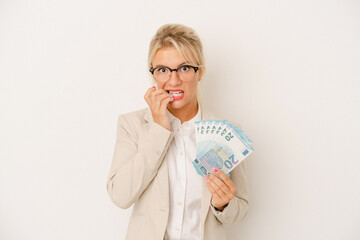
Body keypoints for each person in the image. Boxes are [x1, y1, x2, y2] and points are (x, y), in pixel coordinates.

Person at [106, 23, 249, 240]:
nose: (173, 80)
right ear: (153, 74)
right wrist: (158, 130)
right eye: (162, 70)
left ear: (199, 73)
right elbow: (120, 196)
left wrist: (224, 204)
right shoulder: (132, 125)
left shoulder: (224, 132)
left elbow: (241, 208)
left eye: (184, 68)